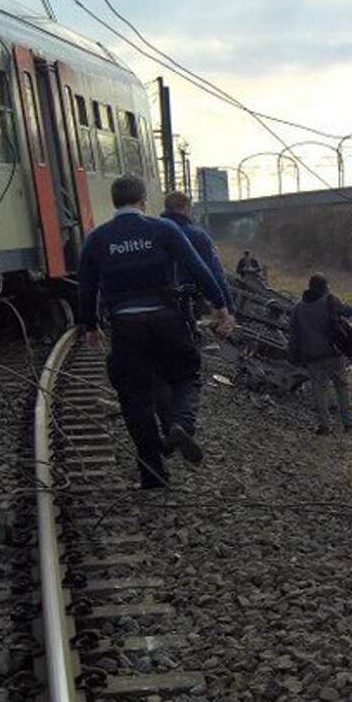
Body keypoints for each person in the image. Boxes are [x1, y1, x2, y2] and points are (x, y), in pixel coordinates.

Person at [75, 175, 236, 489]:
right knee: (186, 376)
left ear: (114, 202)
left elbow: (87, 287)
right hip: (166, 319)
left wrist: (91, 325)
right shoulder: (164, 229)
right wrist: (221, 306)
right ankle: (180, 425)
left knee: (134, 398)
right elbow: (200, 268)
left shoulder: (97, 238)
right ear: (143, 201)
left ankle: (152, 472)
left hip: (124, 326)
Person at [286, 274, 352, 434]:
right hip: (333, 353)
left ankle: (325, 425)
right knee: (341, 386)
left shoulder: (298, 309)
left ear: (309, 287)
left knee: (318, 390)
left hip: (312, 356)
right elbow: (349, 312)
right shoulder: (330, 301)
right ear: (324, 287)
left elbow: (293, 336)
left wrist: (293, 357)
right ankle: (348, 423)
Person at [160, 192, 227, 309]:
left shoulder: (154, 233)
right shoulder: (197, 235)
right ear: (186, 208)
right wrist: (226, 307)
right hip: (191, 301)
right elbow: (214, 273)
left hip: (161, 302)